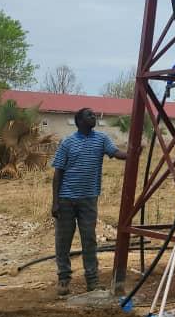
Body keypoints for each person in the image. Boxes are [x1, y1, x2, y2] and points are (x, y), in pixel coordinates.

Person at [51, 107, 127, 296]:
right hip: (66, 199)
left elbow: (116, 153)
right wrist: (55, 202)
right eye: (89, 115)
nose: (94, 116)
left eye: (93, 114)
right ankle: (63, 280)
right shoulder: (68, 142)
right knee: (63, 241)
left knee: (89, 240)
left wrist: (132, 153)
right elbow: (58, 172)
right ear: (79, 121)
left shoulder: (101, 139)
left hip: (88, 200)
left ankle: (92, 281)